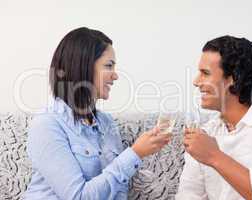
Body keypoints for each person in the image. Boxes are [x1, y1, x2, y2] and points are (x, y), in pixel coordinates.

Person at [23, 27, 171, 200]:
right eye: (108, 66)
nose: (115, 75)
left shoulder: (106, 123)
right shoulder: (47, 125)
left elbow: (118, 192)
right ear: (82, 66)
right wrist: (135, 153)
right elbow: (77, 196)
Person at [176, 35, 252, 200]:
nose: (196, 81)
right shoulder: (206, 133)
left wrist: (214, 156)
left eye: (205, 73)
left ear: (233, 79)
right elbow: (188, 195)